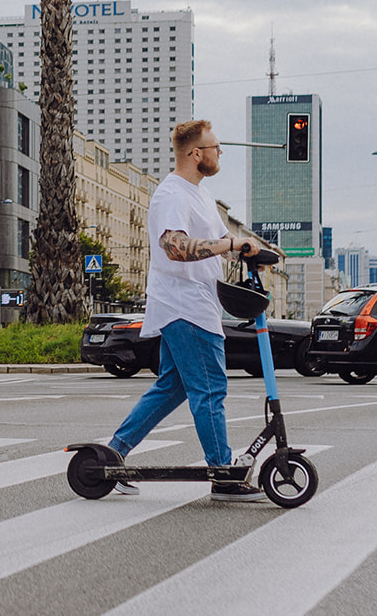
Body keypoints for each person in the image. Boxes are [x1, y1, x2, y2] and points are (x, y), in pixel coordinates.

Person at [105, 119, 269, 502]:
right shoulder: (172, 195)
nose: (219, 152)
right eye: (215, 147)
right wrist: (228, 244)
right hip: (185, 305)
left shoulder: (201, 195)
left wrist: (246, 253)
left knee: (173, 386)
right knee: (210, 389)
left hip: (198, 303)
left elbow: (213, 247)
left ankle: (114, 452)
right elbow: (174, 246)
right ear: (197, 154)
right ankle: (224, 474)